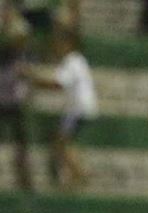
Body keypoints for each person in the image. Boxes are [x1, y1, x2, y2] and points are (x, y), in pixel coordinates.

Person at [25, 28, 97, 188]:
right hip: (77, 108)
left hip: (78, 108)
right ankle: (76, 175)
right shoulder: (74, 61)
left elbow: (58, 83)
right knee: (62, 142)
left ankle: (79, 174)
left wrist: (32, 78)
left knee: (63, 143)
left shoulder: (73, 61)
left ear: (68, 44)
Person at [0, 0, 32, 192]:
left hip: (13, 96)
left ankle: (25, 180)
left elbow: (21, 38)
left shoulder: (19, 27)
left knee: (21, 142)